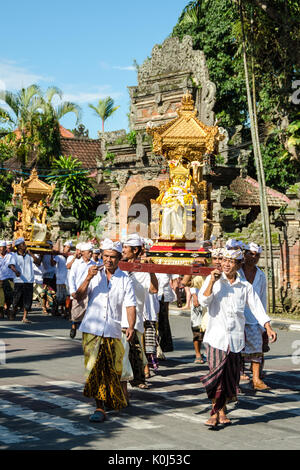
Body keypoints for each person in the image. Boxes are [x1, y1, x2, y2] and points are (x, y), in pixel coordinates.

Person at [198, 248, 277, 427]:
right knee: (216, 376)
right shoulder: (215, 282)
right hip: (216, 339)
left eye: (231, 261)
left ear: (238, 265)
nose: (226, 264)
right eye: (224, 260)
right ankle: (216, 411)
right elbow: (203, 301)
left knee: (229, 377)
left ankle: (221, 408)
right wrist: (211, 281)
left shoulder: (245, 287)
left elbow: (256, 307)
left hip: (235, 340)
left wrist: (268, 327)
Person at [76, 238, 136, 422]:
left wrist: (131, 326)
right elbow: (78, 295)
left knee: (112, 369)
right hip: (92, 330)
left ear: (119, 259)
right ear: (101, 256)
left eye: (113, 257)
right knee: (94, 369)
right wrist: (88, 278)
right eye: (106, 256)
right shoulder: (93, 274)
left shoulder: (125, 279)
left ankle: (108, 399)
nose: (108, 260)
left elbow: (130, 305)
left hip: (113, 329)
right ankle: (99, 407)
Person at [121, 233, 158, 396]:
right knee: (121, 356)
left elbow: (154, 289)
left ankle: (138, 379)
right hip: (118, 318)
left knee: (135, 353)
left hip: (134, 319)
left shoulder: (143, 270)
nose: (123, 251)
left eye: (126, 248)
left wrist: (151, 271)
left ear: (135, 250)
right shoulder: (119, 268)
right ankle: (122, 389)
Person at [239, 242, 271, 390]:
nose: (253, 257)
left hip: (254, 317)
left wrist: (264, 323)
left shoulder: (261, 275)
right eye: (250, 254)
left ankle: (256, 379)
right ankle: (236, 375)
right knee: (235, 349)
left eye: (257, 255)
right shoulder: (237, 272)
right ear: (244, 254)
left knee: (257, 348)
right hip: (237, 316)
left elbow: (262, 298)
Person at [8, 237, 39, 323]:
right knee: (16, 299)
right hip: (19, 280)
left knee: (27, 299)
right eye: (23, 244)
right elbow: (11, 265)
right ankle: (13, 310)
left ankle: (24, 317)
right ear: (18, 246)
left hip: (29, 280)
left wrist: (31, 254)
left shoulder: (29, 256)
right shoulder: (14, 256)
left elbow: (38, 262)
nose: (25, 246)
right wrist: (16, 271)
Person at [68, 242, 95, 339]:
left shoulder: (94, 264)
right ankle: (74, 326)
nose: (91, 254)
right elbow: (71, 278)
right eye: (89, 252)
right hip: (79, 292)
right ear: (83, 252)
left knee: (88, 313)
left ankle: (86, 332)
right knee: (76, 312)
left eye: (91, 252)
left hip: (90, 291)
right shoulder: (76, 264)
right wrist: (72, 291)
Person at [156, 273, 179, 354]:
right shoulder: (151, 261)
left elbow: (175, 281)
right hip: (153, 295)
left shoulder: (169, 261)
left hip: (164, 295)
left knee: (164, 320)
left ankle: (162, 348)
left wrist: (178, 297)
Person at [53, 240, 74, 317]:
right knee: (59, 296)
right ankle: (55, 310)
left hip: (67, 279)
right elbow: (53, 263)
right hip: (60, 279)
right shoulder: (59, 256)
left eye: (70, 247)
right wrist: (53, 255)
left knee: (66, 296)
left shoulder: (70, 257)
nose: (68, 249)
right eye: (67, 247)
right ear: (64, 247)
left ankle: (64, 311)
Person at [0, 241, 14, 319]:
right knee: (1, 297)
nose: (2, 250)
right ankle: (1, 311)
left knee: (9, 296)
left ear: (6, 249)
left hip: (9, 279)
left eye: (3, 248)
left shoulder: (11, 256)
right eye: (0, 248)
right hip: (0, 279)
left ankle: (7, 309)